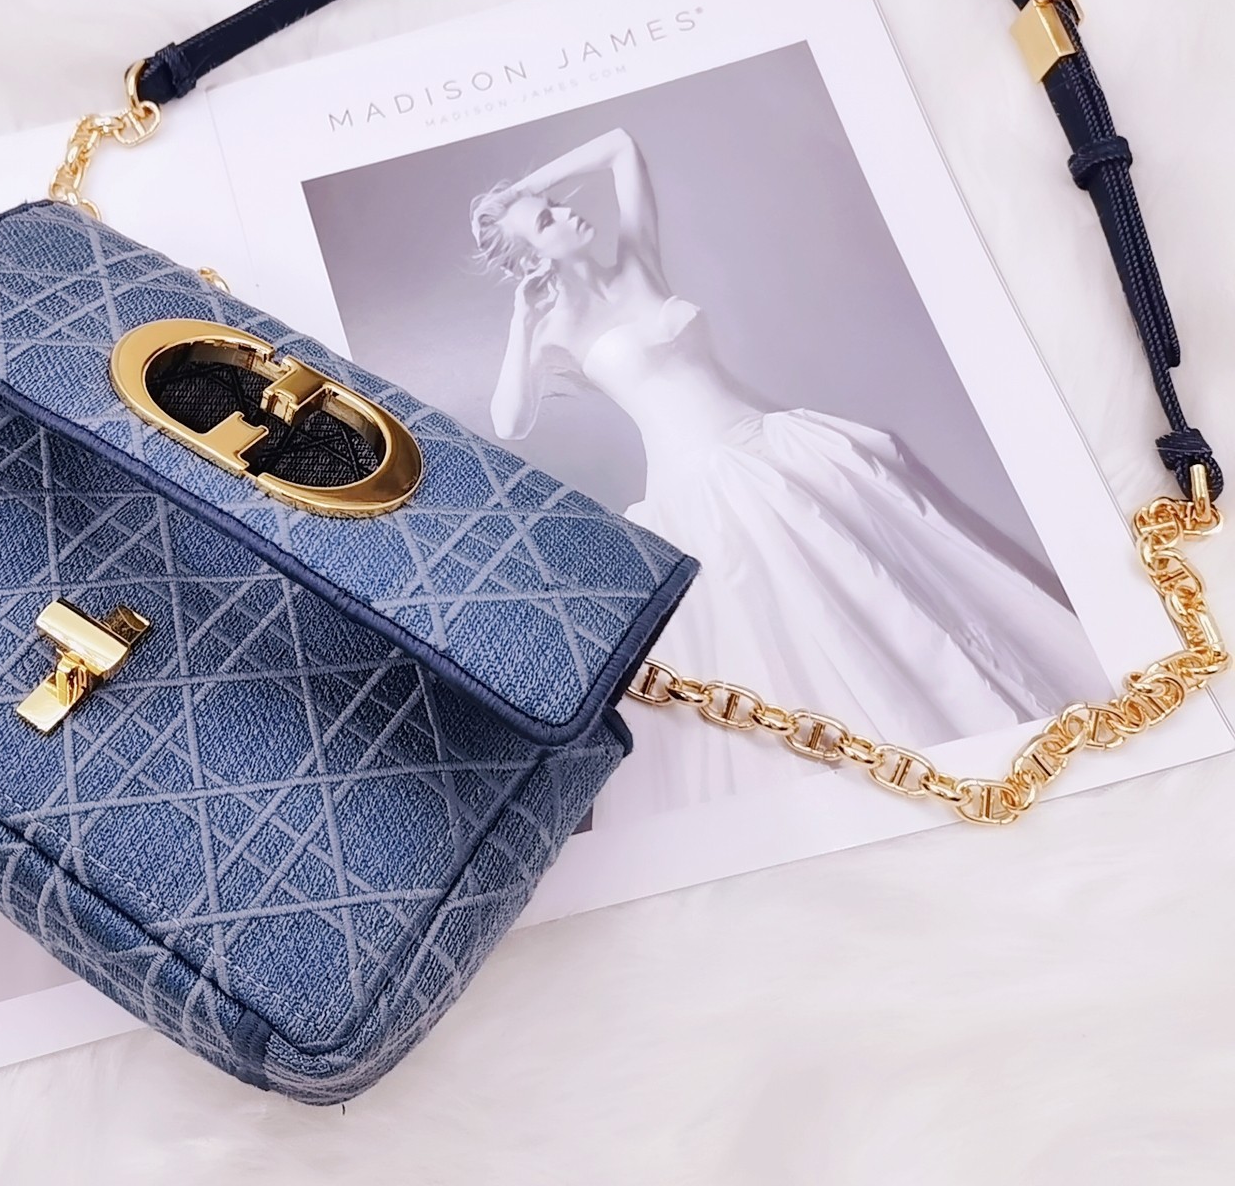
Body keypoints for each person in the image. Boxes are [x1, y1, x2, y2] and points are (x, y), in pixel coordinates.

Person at [470, 127, 1107, 815]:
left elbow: (622, 145)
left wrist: (525, 192)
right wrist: (521, 319)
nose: (565, 212)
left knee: (888, 593)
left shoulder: (637, 262)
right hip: (703, 493)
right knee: (794, 636)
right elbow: (509, 421)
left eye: (556, 204)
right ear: (533, 261)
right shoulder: (556, 329)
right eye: (547, 221)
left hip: (775, 447)